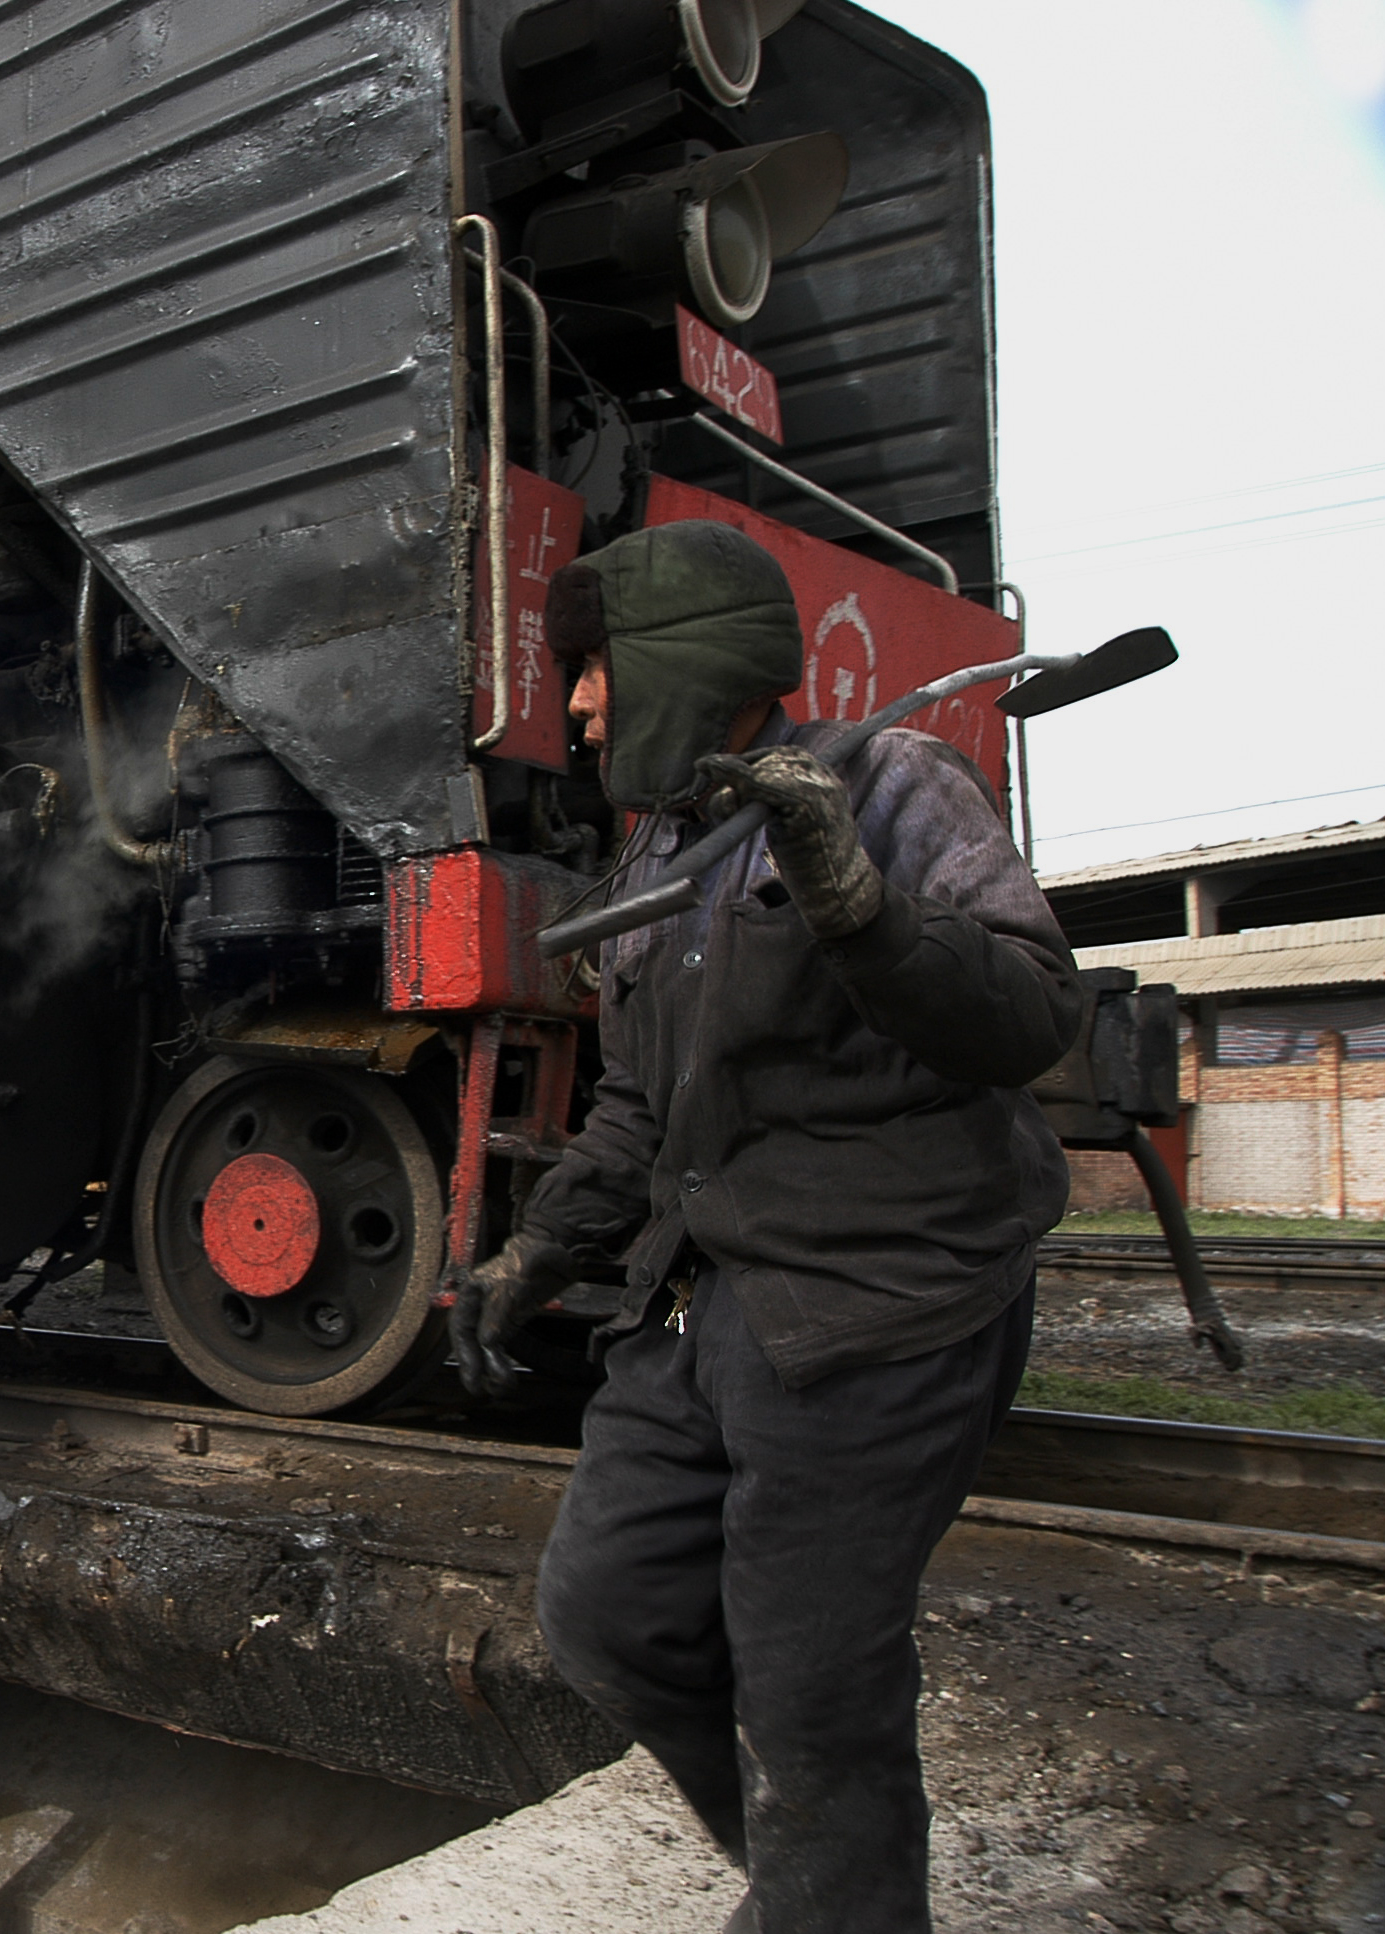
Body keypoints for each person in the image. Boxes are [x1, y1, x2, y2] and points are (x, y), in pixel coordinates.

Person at [450, 519, 1083, 1934]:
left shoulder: (895, 782)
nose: (584, 705)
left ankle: (831, 1897)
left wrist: (855, 902)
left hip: (882, 1302)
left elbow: (1035, 1010)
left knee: (811, 1683)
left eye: (598, 670)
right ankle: (825, 1885)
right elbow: (634, 1101)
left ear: (685, 660)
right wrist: (537, 1248)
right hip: (717, 1296)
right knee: (609, 1606)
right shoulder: (660, 861)